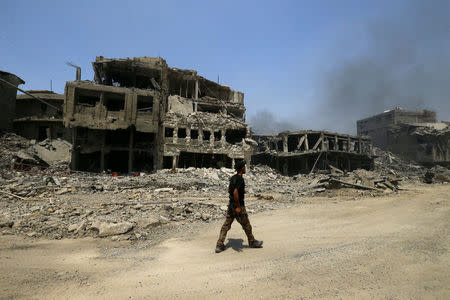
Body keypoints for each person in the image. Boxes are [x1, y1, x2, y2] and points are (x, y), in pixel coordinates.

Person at [215, 160, 263, 253]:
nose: (245, 168)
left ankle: (219, 244)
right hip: (238, 205)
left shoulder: (233, 177)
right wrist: (238, 207)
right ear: (241, 168)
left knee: (226, 225)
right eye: (244, 167)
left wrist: (241, 192)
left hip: (231, 206)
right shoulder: (240, 179)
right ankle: (252, 242)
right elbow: (235, 192)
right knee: (246, 225)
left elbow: (230, 190)